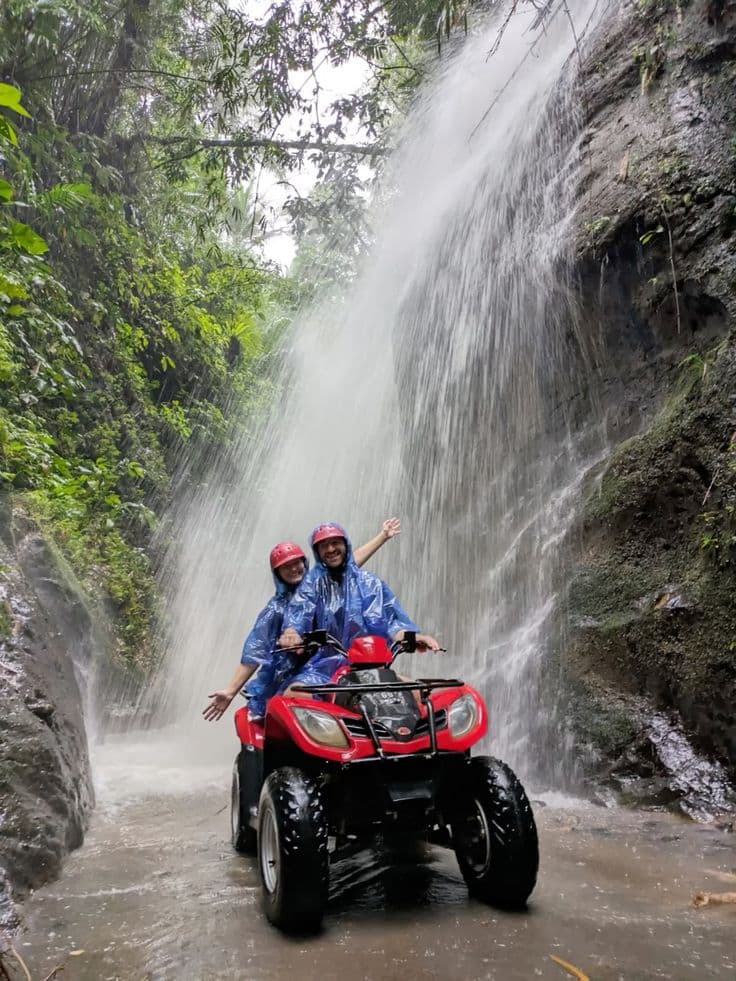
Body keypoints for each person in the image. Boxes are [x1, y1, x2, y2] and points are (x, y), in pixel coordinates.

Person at [202, 518, 401, 721]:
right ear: (277, 573)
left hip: (330, 668)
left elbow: (351, 562)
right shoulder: (276, 609)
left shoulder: (323, 585)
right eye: (285, 566)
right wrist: (230, 690)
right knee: (296, 698)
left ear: (306, 562)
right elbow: (255, 650)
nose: (294, 568)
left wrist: (382, 536)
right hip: (292, 673)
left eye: (297, 562)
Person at [277, 522, 439, 691]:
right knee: (295, 693)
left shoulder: (371, 583)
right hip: (323, 669)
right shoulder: (312, 584)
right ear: (317, 552)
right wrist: (291, 633)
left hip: (369, 667)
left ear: (345, 545)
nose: (331, 549)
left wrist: (417, 637)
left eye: (335, 543)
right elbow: (298, 614)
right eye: (324, 545)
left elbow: (393, 624)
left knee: (416, 692)